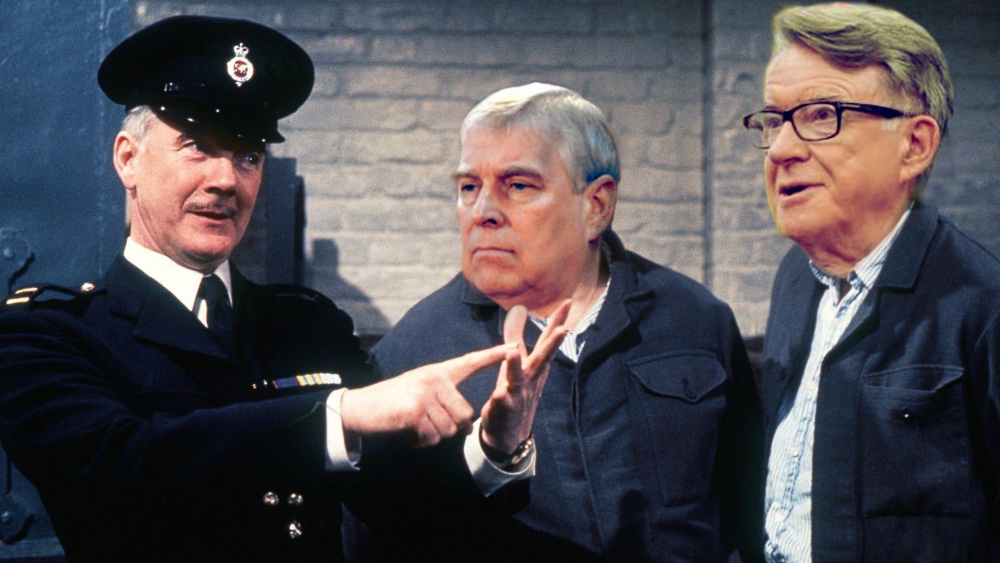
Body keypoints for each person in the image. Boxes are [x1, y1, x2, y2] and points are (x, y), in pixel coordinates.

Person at [0, 16, 566, 561]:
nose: (226, 180)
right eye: (197, 146)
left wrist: (494, 448)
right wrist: (337, 414)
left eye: (248, 155)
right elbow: (119, 466)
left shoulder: (307, 326)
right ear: (128, 159)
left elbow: (405, 510)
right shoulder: (45, 334)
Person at [366, 82, 765, 562]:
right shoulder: (413, 355)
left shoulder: (694, 318)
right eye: (468, 187)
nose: (483, 211)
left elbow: (754, 513)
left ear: (596, 207)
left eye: (518, 185)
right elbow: (386, 540)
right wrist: (493, 453)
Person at [742, 3, 1000, 561]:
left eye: (821, 115)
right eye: (774, 121)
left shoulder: (984, 305)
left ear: (915, 146)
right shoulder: (795, 279)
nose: (781, 149)